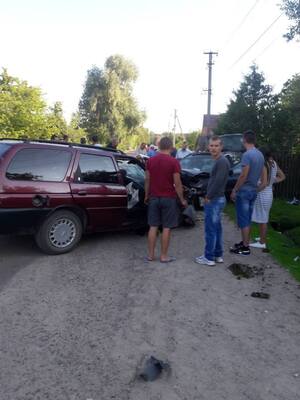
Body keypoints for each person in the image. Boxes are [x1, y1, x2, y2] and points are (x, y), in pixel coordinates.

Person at [145, 137, 187, 263]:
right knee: (166, 227)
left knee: (153, 226)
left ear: (159, 146)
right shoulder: (174, 162)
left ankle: (151, 255)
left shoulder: (150, 161)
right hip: (168, 198)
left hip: (153, 197)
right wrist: (182, 199)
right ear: (170, 147)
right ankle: (163, 256)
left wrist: (146, 195)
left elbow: (147, 180)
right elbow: (177, 183)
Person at [195, 136, 230, 266]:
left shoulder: (221, 161)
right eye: (211, 146)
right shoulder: (220, 161)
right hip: (218, 199)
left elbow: (218, 182)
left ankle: (208, 257)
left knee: (210, 229)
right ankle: (217, 254)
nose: (213, 148)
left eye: (216, 146)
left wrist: (208, 196)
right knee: (217, 229)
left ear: (221, 147)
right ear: (208, 146)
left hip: (215, 199)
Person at [230, 130, 264, 255]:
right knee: (248, 219)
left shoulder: (247, 155)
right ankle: (245, 242)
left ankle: (245, 247)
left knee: (244, 220)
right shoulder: (260, 154)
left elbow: (243, 175)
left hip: (244, 191)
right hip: (253, 190)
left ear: (244, 140)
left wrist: (235, 189)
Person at [250, 149, 285, 249]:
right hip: (269, 193)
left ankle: (262, 243)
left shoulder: (263, 165)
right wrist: (272, 182)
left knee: (263, 219)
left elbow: (264, 183)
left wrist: (254, 191)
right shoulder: (273, 163)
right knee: (263, 217)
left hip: (263, 194)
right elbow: (282, 176)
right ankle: (262, 237)